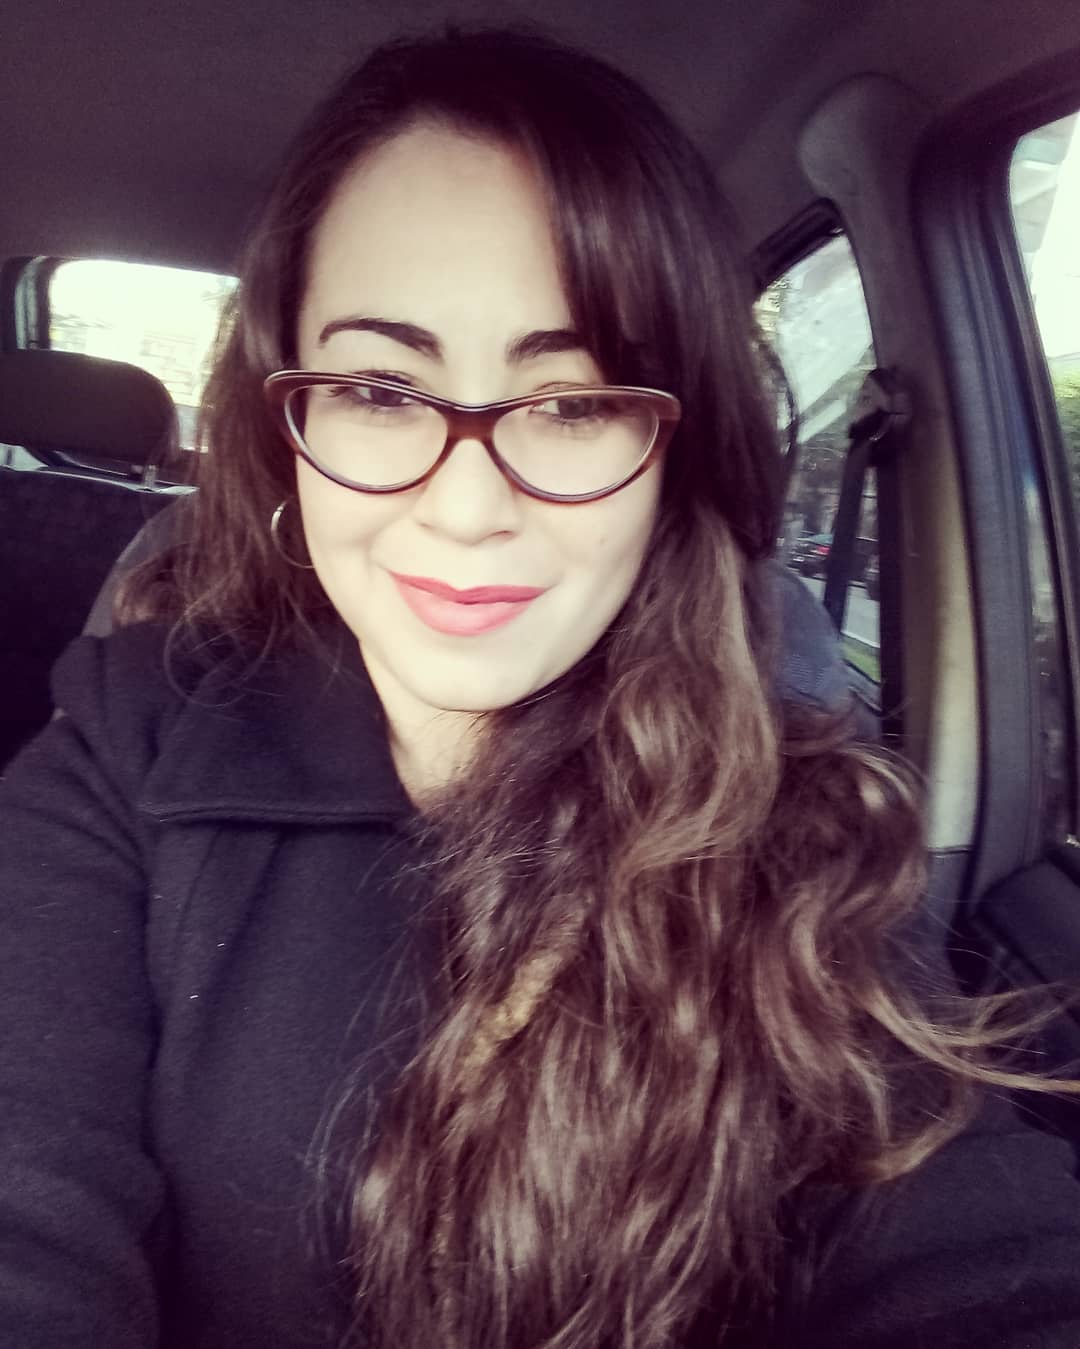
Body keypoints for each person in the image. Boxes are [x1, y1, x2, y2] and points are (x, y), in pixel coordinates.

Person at [1, 27, 1079, 1349]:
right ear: (291, 422)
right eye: (380, 387)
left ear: (674, 447)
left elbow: (972, 1251)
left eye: (573, 405)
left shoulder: (799, 831)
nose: (468, 507)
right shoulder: (124, 745)